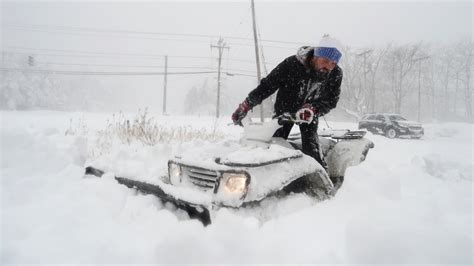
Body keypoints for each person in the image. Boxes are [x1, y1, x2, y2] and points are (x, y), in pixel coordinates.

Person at [231, 35, 343, 171]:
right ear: (316, 56)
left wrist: (314, 109)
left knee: (311, 150)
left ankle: (319, 179)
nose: (328, 67)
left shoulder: (335, 74)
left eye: (333, 63)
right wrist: (246, 105)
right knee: (274, 147)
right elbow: (267, 86)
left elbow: (331, 99)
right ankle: (271, 175)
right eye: (325, 61)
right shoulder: (291, 64)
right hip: (284, 112)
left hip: (309, 114)